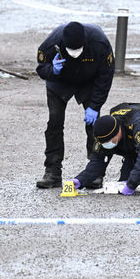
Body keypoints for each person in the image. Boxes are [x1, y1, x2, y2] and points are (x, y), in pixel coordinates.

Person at [35, 21, 115, 189]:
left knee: (95, 125)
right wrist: (52, 70)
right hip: (59, 82)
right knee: (54, 122)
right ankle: (52, 171)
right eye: (71, 50)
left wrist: (95, 105)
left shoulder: (99, 43)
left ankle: (95, 172)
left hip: (89, 80)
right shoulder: (52, 43)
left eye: (78, 50)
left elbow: (105, 76)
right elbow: (41, 68)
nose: (75, 53)